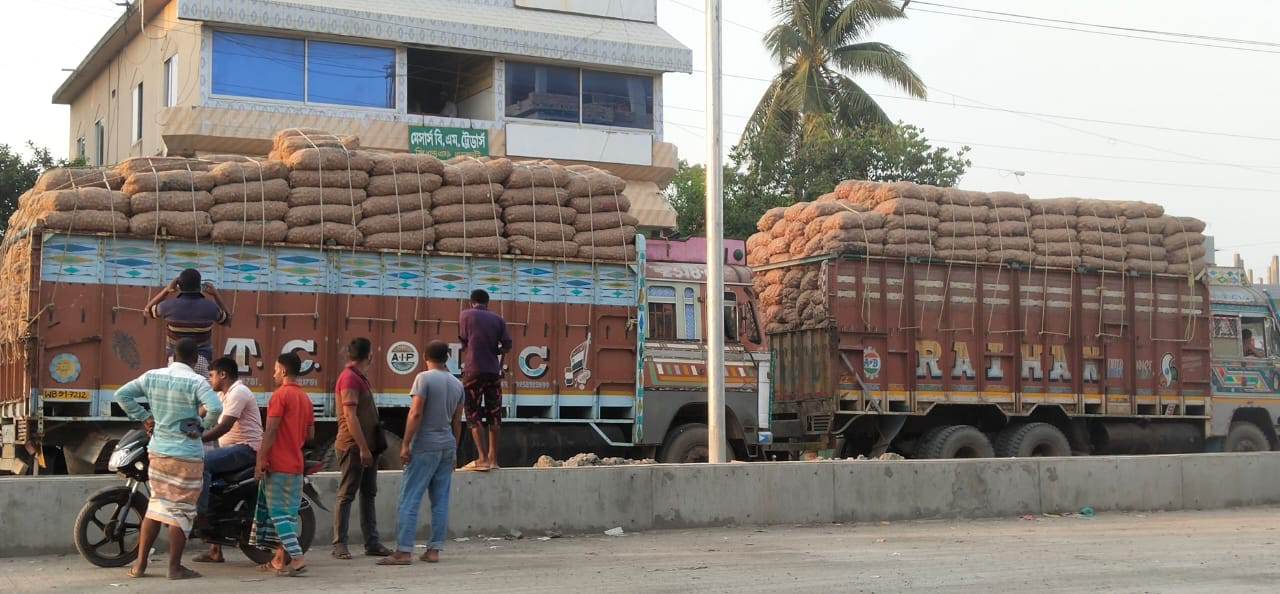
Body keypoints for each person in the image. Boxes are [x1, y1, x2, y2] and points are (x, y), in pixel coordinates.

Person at [114, 338, 222, 580]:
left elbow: (122, 395)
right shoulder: (196, 381)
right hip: (186, 455)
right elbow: (215, 408)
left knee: (157, 506)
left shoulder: (152, 376)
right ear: (196, 359)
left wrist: (145, 417)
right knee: (181, 510)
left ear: (173, 356)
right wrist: (201, 426)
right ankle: (174, 568)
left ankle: (140, 566)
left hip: (159, 451)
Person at [379, 341, 464, 566]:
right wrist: (454, 449)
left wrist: (406, 444)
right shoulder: (457, 384)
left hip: (425, 445)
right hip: (447, 445)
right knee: (441, 500)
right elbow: (457, 422)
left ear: (425, 356)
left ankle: (404, 551)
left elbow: (416, 413)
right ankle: (434, 550)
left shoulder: (423, 379)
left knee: (410, 498)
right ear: (447, 357)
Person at [249, 353, 315, 577]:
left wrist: (260, 460)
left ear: (284, 371)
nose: (274, 373)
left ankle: (297, 558)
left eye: (276, 369)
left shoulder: (280, 396)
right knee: (288, 516)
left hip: (278, 464)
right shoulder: (305, 399)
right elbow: (310, 433)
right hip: (296, 464)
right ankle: (279, 560)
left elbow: (271, 430)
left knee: (277, 515)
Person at [193, 356, 263, 564]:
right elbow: (199, 415)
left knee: (201, 462)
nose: (209, 379)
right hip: (232, 450)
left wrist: (197, 438)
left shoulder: (238, 392)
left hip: (246, 449)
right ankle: (215, 550)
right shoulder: (221, 395)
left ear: (223, 375)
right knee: (215, 490)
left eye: (212, 375)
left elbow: (224, 427)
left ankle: (201, 515)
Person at [332, 338, 392, 559]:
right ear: (369, 356)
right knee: (347, 494)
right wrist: (363, 448)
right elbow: (350, 416)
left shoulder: (357, 378)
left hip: (367, 447)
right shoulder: (349, 379)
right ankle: (339, 544)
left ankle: (372, 543)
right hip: (353, 446)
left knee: (368, 494)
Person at [458, 289, 512, 471]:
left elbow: (464, 343)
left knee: (473, 412)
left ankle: (481, 459)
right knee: (494, 414)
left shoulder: (465, 315)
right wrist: (498, 361)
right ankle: (493, 459)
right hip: (493, 372)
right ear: (488, 302)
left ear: (471, 301)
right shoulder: (498, 319)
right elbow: (507, 346)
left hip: (473, 370)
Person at [145, 268, 230, 376]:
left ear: (179, 286)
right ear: (200, 287)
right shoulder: (211, 308)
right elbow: (227, 320)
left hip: (176, 362)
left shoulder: (167, 306)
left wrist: (167, 290)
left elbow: (147, 311)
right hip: (202, 360)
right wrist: (215, 294)